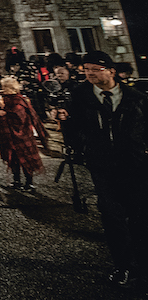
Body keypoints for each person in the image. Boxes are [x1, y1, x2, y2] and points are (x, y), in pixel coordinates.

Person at [58, 50, 148, 289]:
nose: (89, 74)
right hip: (102, 165)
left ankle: (142, 263)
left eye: (94, 70)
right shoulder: (79, 97)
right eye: (85, 70)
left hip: (135, 164)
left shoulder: (135, 97)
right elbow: (73, 129)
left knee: (139, 215)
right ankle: (123, 265)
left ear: (110, 71)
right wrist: (77, 139)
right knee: (112, 217)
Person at [0, 76, 46, 191]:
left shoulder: (19, 100)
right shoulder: (2, 98)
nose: (2, 89)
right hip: (8, 136)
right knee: (13, 159)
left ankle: (29, 183)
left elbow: (18, 117)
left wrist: (3, 109)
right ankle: (16, 181)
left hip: (21, 136)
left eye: (4, 87)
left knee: (26, 159)